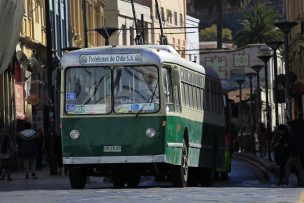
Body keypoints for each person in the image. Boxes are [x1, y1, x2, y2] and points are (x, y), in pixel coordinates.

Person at [283, 117, 304, 186]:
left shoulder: (293, 133)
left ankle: (285, 181)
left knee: (287, 166)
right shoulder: (296, 132)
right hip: (296, 153)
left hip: (293, 153)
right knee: (299, 168)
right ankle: (301, 180)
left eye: (289, 126)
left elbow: (293, 143)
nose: (288, 127)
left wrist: (287, 145)